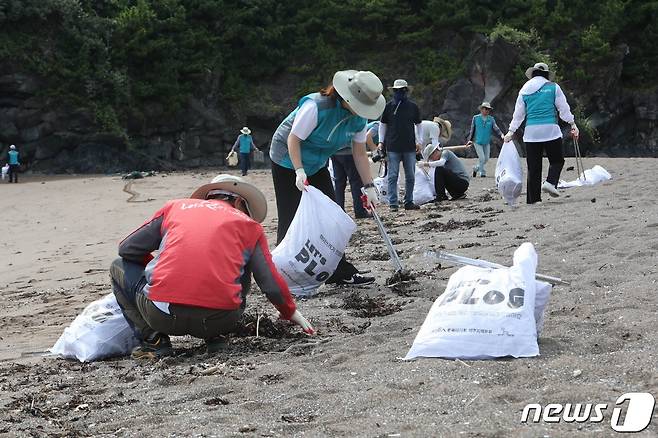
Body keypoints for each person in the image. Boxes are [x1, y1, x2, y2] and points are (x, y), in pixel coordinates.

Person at [110, 174, 314, 359]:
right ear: (239, 201)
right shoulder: (250, 226)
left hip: (162, 315)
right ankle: (218, 337)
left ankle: (154, 340)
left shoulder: (174, 208)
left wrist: (157, 267)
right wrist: (289, 311)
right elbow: (269, 283)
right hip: (220, 319)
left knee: (117, 266)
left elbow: (126, 249)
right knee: (239, 262)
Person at [269, 70, 384, 286]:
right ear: (347, 96)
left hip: (318, 163)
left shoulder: (359, 119)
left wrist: (369, 186)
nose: (362, 111)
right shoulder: (316, 107)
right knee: (291, 214)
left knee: (331, 214)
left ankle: (338, 272)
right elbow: (293, 139)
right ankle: (280, 274)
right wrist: (299, 170)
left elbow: (359, 152)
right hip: (287, 160)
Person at [504, 63, 579, 204]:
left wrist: (510, 132)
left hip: (531, 133)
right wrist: (572, 124)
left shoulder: (524, 90)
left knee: (533, 167)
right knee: (557, 160)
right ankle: (550, 182)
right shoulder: (553, 87)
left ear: (533, 74)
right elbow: (563, 109)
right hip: (550, 130)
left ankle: (533, 200)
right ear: (546, 74)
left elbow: (518, 115)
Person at [378, 79, 422, 211]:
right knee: (392, 175)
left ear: (406, 91)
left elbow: (419, 124)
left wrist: (419, 142)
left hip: (409, 146)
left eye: (402, 90)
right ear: (394, 91)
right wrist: (381, 142)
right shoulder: (388, 107)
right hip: (393, 146)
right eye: (397, 90)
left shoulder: (413, 107)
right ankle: (393, 203)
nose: (399, 93)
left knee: (411, 176)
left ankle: (409, 201)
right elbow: (382, 125)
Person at [467, 102, 505, 177]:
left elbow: (496, 128)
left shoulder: (491, 119)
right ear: (481, 109)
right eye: (486, 109)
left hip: (486, 142)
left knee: (486, 159)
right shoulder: (476, 118)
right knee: (482, 158)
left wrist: (501, 135)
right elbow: (472, 129)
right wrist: (470, 139)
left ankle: (475, 168)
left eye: (489, 109)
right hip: (477, 141)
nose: (487, 110)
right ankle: (482, 172)